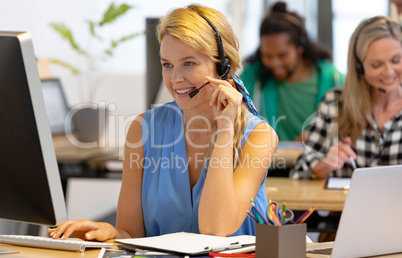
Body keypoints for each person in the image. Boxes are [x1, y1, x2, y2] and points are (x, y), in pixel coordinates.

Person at [48, 4, 278, 241]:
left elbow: (215, 229)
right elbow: (131, 233)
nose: (175, 78)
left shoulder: (259, 137)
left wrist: (225, 129)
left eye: (189, 63)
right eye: (167, 64)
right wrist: (110, 232)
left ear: (223, 66)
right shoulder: (143, 129)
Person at [290, 16, 402, 180]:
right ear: (359, 67)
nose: (389, 72)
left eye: (396, 60)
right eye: (376, 65)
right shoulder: (335, 103)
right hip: (343, 206)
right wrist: (324, 165)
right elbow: (298, 173)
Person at [240, 2, 344, 141]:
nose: (275, 63)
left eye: (282, 55)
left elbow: (353, 128)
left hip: (323, 161)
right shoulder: (251, 79)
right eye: (268, 56)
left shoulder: (335, 80)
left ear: (300, 46)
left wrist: (322, 137)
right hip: (272, 162)